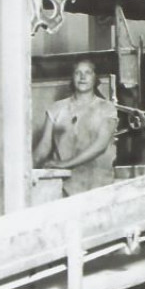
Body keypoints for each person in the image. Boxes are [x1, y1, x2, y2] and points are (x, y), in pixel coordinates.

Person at [33, 59, 119, 196]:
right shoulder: (56, 108)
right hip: (65, 185)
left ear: (95, 77)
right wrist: (25, 172)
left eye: (88, 73)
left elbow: (100, 146)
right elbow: (44, 146)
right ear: (72, 78)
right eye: (77, 73)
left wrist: (64, 164)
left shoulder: (106, 108)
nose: (82, 77)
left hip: (98, 185)